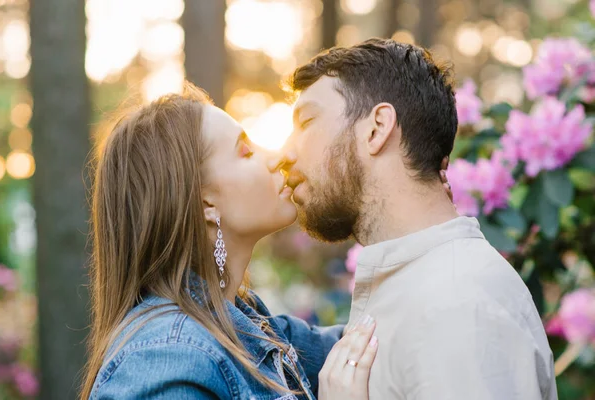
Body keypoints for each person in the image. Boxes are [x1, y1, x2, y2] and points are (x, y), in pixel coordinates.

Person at [283, 38, 557, 399]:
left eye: (307, 121)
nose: (286, 152)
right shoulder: (422, 285)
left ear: (377, 127)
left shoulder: (457, 304)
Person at [81, 84, 383, 400]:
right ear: (205, 205)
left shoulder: (249, 325)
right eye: (246, 151)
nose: (277, 157)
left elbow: (374, 343)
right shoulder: (169, 359)